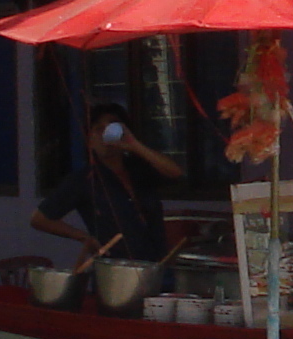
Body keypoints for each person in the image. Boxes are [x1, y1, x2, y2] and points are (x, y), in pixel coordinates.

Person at [29, 104, 184, 270]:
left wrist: (134, 145)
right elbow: (39, 219)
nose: (105, 134)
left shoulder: (139, 169)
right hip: (114, 272)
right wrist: (83, 237)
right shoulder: (84, 180)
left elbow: (176, 173)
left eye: (111, 127)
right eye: (98, 129)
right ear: (89, 141)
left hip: (157, 266)